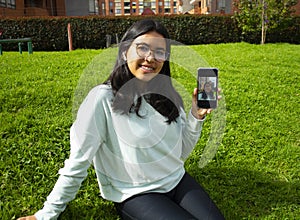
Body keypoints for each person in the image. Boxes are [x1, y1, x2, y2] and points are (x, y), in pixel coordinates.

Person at [18, 19, 224, 220]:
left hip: (177, 181)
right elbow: (78, 161)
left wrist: (196, 116)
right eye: (142, 48)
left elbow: (179, 153)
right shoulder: (103, 99)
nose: (151, 58)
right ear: (125, 51)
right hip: (137, 194)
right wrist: (46, 214)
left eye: (160, 52)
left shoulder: (167, 96)